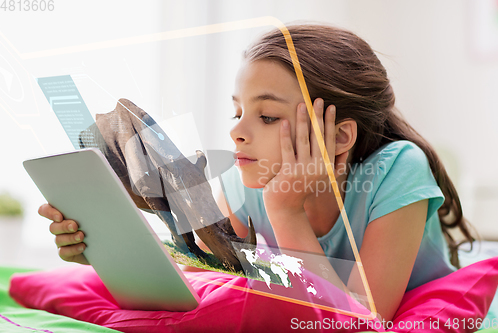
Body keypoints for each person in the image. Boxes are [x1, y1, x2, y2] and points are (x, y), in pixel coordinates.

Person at [38, 24, 474, 322]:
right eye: (237, 111)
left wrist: (285, 212)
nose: (236, 131)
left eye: (266, 117)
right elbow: (214, 272)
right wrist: (110, 251)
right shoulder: (241, 182)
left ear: (340, 137)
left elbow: (357, 318)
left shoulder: (397, 170)